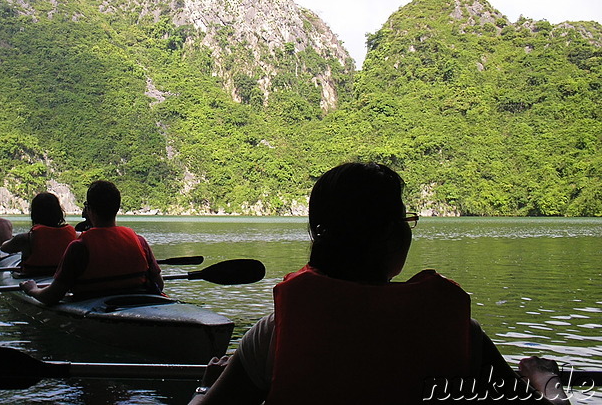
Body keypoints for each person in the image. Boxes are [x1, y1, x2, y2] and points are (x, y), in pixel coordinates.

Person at [188, 162, 571, 404]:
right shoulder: (458, 331)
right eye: (406, 218)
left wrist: (207, 386)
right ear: (391, 235)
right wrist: (546, 380)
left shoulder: (274, 334)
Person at [21, 180, 164, 304]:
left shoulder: (79, 247)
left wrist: (32, 290)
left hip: (93, 303)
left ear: (89, 210)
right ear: (117, 208)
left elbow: (51, 296)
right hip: (138, 301)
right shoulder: (139, 241)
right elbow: (159, 284)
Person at [0, 192, 77, 275]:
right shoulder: (73, 235)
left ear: (34, 214)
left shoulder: (26, 238)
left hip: (32, 278)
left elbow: (4, 248)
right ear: (59, 212)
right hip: (61, 278)